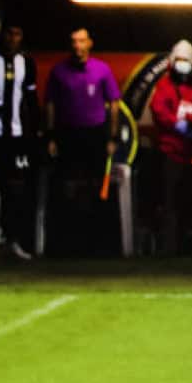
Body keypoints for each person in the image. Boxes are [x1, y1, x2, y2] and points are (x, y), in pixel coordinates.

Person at [44, 28, 121, 257]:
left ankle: (99, 245)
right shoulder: (59, 71)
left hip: (95, 134)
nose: (77, 46)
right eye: (73, 41)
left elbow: (114, 104)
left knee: (96, 187)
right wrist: (50, 137)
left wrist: (112, 137)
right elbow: (50, 105)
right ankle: (66, 245)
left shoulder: (102, 69)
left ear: (90, 43)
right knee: (67, 188)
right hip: (68, 134)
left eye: (81, 41)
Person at [150, 40, 192, 257]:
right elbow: (158, 109)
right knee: (170, 202)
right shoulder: (165, 85)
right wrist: (177, 124)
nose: (182, 65)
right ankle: (169, 249)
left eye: (186, 61)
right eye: (178, 60)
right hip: (172, 153)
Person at [0, 20, 39, 260]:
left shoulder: (26, 62)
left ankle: (13, 240)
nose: (12, 38)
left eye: (17, 33)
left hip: (16, 136)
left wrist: (35, 133)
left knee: (15, 189)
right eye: (9, 33)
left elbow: (30, 99)